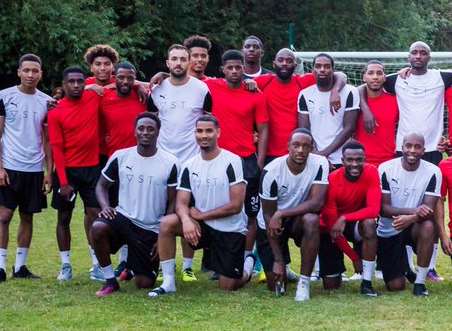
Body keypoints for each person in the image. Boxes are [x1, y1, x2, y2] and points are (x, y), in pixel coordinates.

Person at [361, 41, 452, 281]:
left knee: (430, 209)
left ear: (430, 57)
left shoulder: (441, 77)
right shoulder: (395, 79)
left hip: (431, 150)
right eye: (415, 52)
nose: (419, 56)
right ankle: (403, 264)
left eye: (423, 52)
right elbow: (364, 85)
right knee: (398, 205)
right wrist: (366, 109)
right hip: (402, 151)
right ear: (408, 56)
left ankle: (429, 266)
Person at [149, 115, 255, 297]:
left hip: (230, 230)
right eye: (199, 131)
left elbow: (236, 206)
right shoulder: (189, 165)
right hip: (203, 227)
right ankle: (168, 282)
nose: (203, 135)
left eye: (208, 131)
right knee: (167, 223)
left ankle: (247, 266)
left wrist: (200, 216)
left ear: (218, 133)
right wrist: (186, 220)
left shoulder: (233, 161)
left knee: (228, 286)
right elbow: (181, 202)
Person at [90, 112, 179, 297]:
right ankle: (110, 281)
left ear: (158, 132)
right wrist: (106, 206)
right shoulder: (121, 156)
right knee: (97, 227)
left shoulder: (170, 162)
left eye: (150, 129)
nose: (145, 132)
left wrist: (162, 235)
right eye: (141, 128)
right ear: (135, 131)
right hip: (123, 218)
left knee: (144, 283)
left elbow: (173, 201)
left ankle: (132, 266)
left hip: (150, 228)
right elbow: (101, 185)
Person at [148, 44, 212, 282]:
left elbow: (207, 121)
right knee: (160, 213)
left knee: (189, 213)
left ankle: (186, 267)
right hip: (163, 161)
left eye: (182, 59)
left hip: (190, 162)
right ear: (167, 63)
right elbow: (151, 120)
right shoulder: (156, 88)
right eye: (174, 59)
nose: (178, 63)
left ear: (189, 62)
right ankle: (158, 264)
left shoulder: (201, 89)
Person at [206, 49, 268, 271]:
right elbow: (184, 78)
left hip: (246, 161)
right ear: (222, 69)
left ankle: (246, 258)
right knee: (220, 209)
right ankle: (218, 262)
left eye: (238, 67)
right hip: (219, 160)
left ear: (244, 68)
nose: (234, 71)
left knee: (250, 213)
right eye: (229, 68)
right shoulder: (211, 87)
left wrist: (259, 162)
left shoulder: (255, 93)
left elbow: (263, 129)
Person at [257, 128, 329, 301]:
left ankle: (304, 283)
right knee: (274, 286)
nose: (300, 150)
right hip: (270, 222)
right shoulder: (271, 171)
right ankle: (284, 266)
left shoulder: (320, 163)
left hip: (297, 218)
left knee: (312, 219)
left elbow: (317, 203)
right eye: (296, 145)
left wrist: (282, 213)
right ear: (288, 146)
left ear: (312, 148)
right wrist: (278, 260)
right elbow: (269, 216)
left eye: (306, 146)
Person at [0, 54, 52, 282]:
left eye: (35, 71)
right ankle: (0, 267)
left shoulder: (47, 101)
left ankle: (20, 267)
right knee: (4, 216)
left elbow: (48, 139)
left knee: (27, 216)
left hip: (34, 168)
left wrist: (49, 172)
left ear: (41, 74)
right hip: (9, 166)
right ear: (19, 72)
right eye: (26, 70)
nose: (30, 75)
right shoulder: (4, 96)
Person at [47, 66, 102, 281]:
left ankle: (97, 264)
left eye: (80, 81)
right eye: (72, 81)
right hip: (67, 172)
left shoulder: (93, 97)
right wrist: (62, 181)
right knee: (64, 218)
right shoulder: (56, 112)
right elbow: (57, 149)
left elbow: (119, 83)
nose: (77, 85)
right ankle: (66, 265)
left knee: (95, 217)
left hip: (92, 169)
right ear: (64, 85)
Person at [99, 61, 147, 278]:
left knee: (135, 213)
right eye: (121, 77)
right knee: (117, 212)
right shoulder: (104, 97)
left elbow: (161, 81)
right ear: (113, 77)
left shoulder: (142, 96)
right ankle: (117, 263)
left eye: (130, 78)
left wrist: (142, 85)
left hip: (142, 164)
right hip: (114, 164)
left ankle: (130, 263)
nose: (125, 82)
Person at [377, 133, 441, 296]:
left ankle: (420, 283)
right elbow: (384, 209)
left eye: (417, 147)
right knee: (396, 286)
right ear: (402, 147)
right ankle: (404, 268)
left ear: (424, 150)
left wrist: (411, 218)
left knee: (428, 226)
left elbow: (429, 208)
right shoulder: (385, 168)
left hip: (415, 225)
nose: (412, 150)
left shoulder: (433, 171)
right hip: (390, 228)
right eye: (408, 146)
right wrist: (414, 212)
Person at [319, 141, 381, 297]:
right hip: (331, 229)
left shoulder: (372, 171)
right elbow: (333, 228)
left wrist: (345, 217)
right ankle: (333, 271)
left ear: (364, 159)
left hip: (355, 223)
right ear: (342, 161)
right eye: (350, 160)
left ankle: (367, 283)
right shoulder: (332, 179)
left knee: (369, 224)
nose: (355, 164)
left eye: (359, 160)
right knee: (331, 286)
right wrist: (354, 257)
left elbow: (374, 210)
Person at [298, 53, 360, 169]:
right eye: (318, 66)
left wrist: (324, 153)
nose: (322, 69)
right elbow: (305, 130)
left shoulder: (350, 91)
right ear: (313, 70)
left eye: (327, 66)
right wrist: (317, 155)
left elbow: (349, 128)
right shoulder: (305, 94)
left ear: (333, 70)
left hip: (342, 158)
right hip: (314, 157)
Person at [355, 60, 398, 167]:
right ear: (364, 77)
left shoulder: (396, 101)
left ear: (384, 77)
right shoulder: (354, 100)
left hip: (389, 161)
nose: (375, 77)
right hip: (361, 161)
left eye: (379, 73)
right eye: (370, 73)